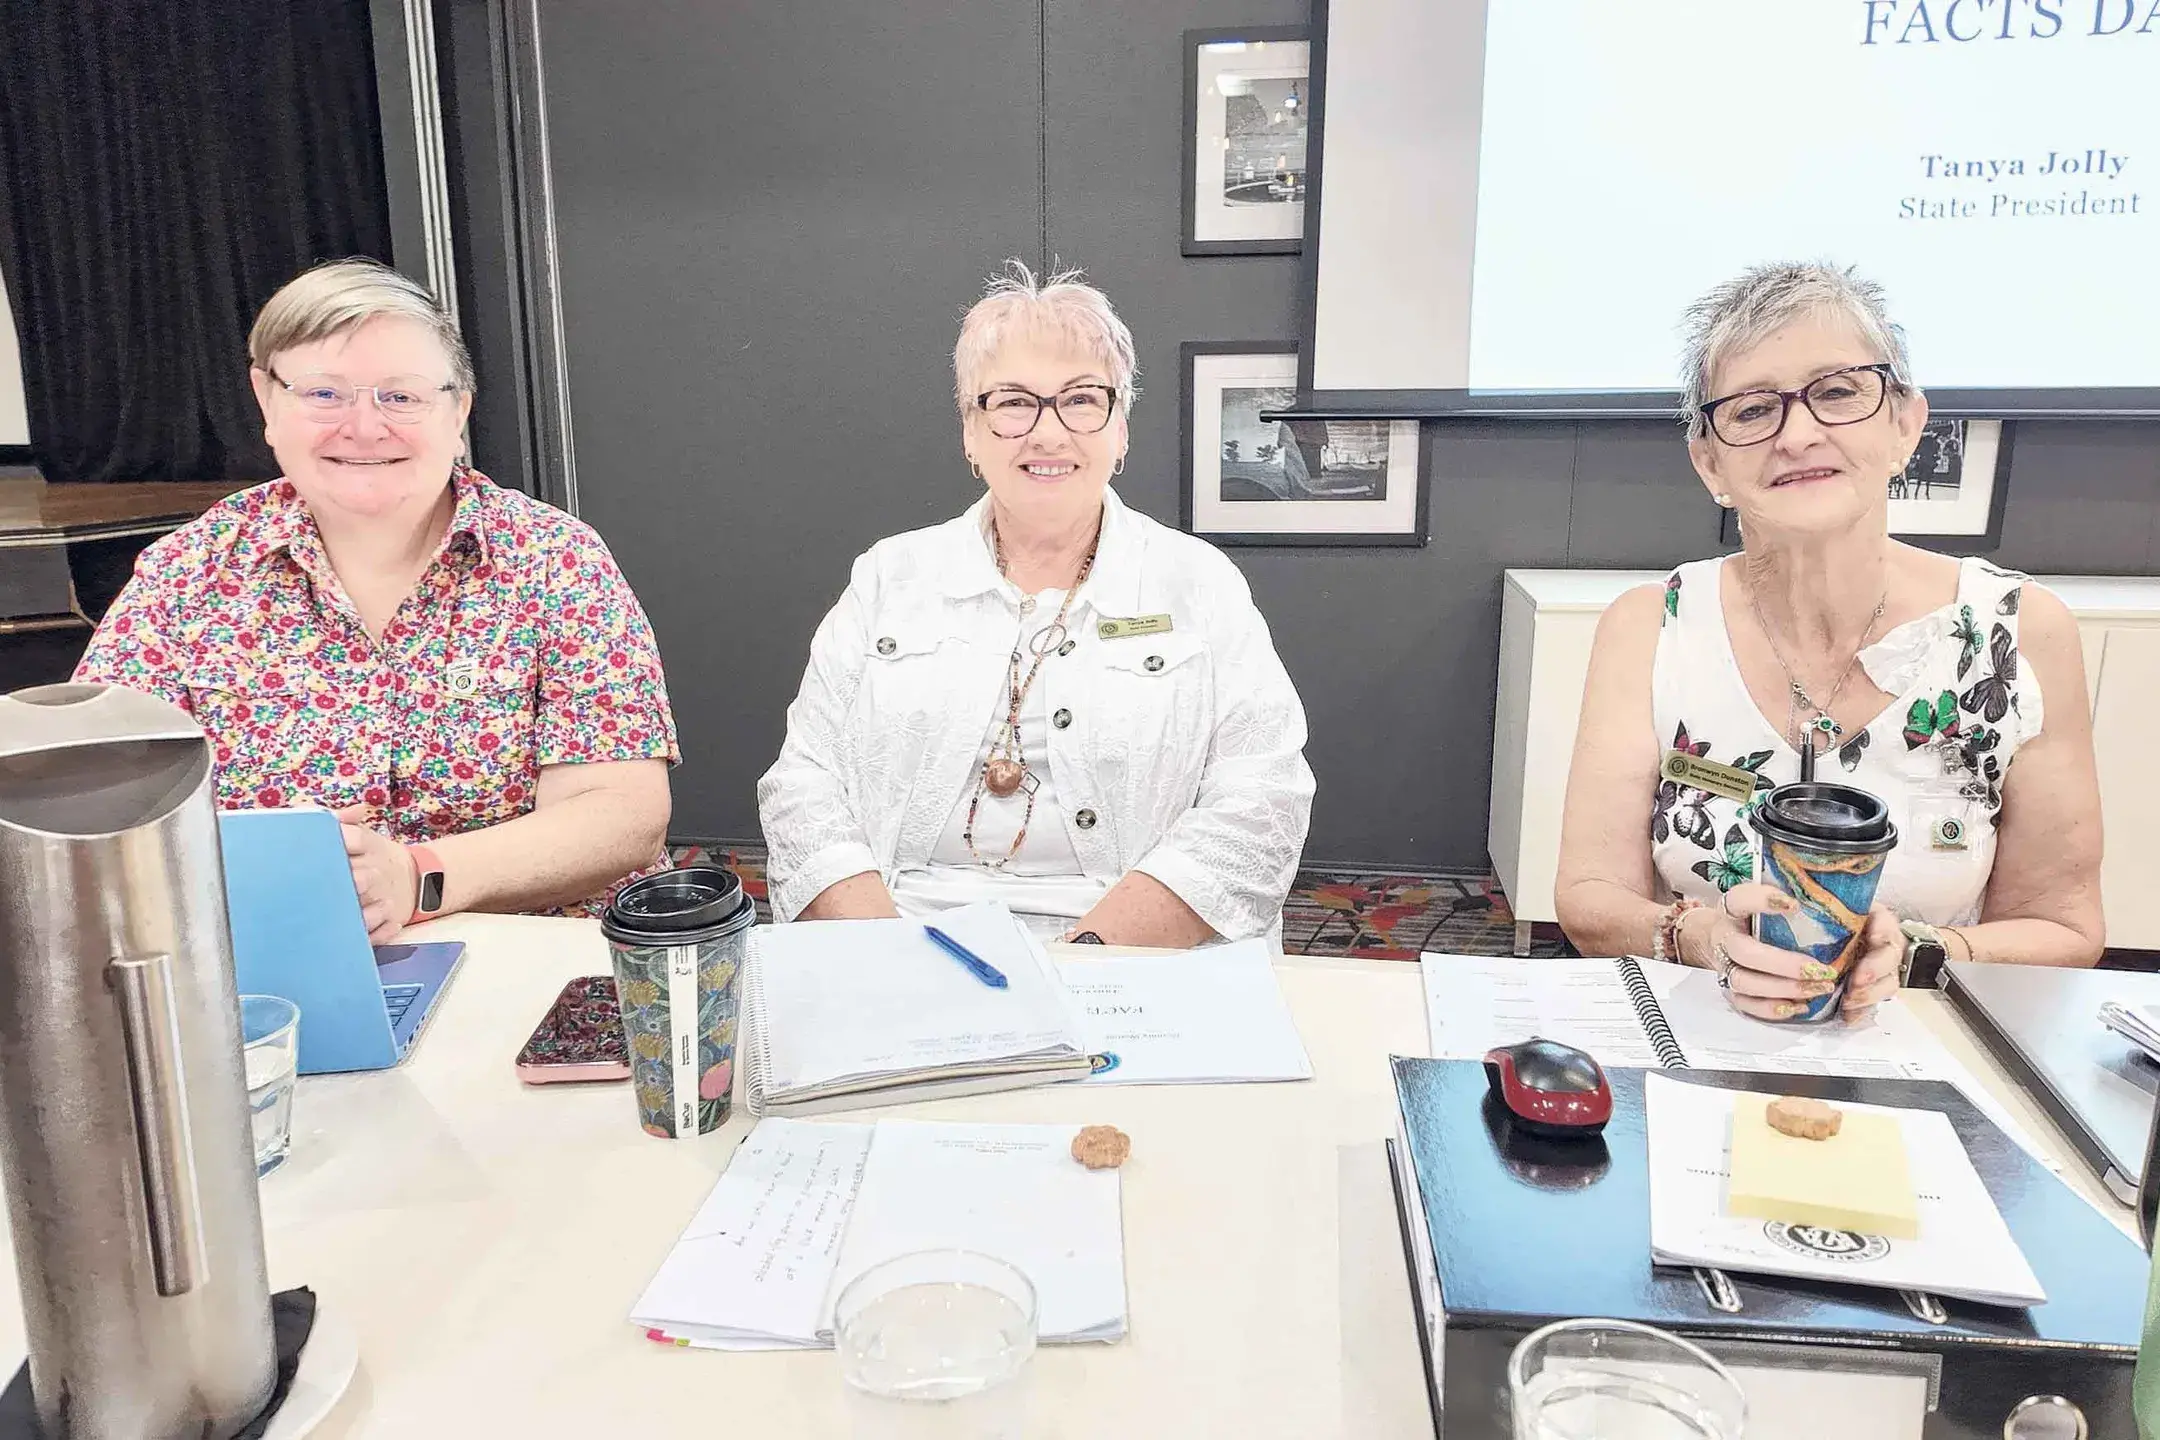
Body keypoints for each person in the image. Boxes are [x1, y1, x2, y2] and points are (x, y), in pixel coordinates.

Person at [1554, 262, 2103, 1020]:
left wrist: (1919, 953)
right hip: (1697, 1033)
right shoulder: (1651, 627)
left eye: (1838, 393)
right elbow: (1587, 899)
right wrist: (1698, 934)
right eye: (1751, 411)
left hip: (1924, 1043)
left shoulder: (2018, 634)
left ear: (1905, 425)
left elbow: (2065, 929)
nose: (1799, 433)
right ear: (1708, 462)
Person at [75, 258, 677, 935]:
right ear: (266, 402)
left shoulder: (554, 560)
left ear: (458, 413)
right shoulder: (186, 577)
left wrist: (418, 877)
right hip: (274, 961)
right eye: (324, 395)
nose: (364, 428)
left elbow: (622, 813)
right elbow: (98, 800)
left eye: (402, 395)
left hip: (525, 958)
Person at [757, 261, 1313, 944]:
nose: (1048, 432)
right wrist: (888, 956)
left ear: (1121, 431)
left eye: (1081, 400)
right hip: (904, 931)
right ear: (970, 432)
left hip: (1125, 948)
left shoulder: (1198, 584)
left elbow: (1264, 801)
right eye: (1014, 402)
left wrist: (1087, 963)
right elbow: (803, 788)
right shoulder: (888, 578)